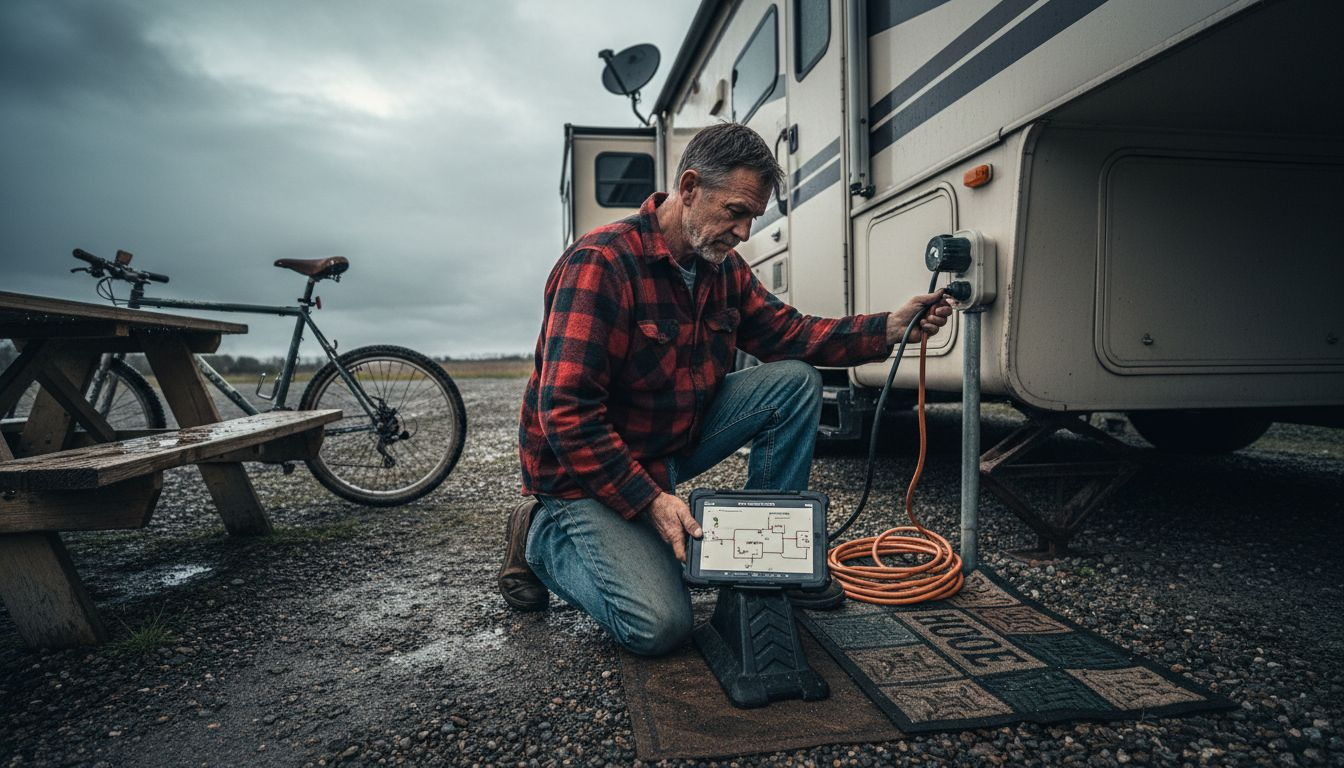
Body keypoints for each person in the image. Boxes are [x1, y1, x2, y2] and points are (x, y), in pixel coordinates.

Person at [499, 122, 951, 656]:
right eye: (735, 212)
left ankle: (770, 559)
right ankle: (537, 535)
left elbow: (790, 335)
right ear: (688, 188)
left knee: (793, 382)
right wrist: (650, 503)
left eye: (753, 219)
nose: (743, 232)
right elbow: (566, 414)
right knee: (659, 626)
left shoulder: (722, 268)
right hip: (582, 475)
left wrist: (887, 330)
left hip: (667, 444)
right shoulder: (601, 264)